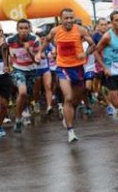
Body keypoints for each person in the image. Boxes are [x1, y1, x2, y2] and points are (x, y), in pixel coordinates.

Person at [36, 8, 95, 143]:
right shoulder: (55, 31)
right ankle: (70, 131)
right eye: (66, 18)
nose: (69, 21)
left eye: (71, 18)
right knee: (68, 97)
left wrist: (85, 54)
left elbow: (93, 45)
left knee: (75, 100)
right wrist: (39, 52)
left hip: (79, 68)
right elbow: (46, 41)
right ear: (61, 19)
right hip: (63, 68)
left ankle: (68, 116)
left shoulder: (80, 30)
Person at [95, 11, 118, 138]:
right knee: (117, 104)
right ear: (112, 22)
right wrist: (104, 67)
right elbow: (96, 52)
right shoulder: (107, 37)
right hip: (111, 72)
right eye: (116, 20)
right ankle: (106, 92)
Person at [6, 19, 39, 133]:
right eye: (21, 28)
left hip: (31, 70)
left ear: (29, 29)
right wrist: (7, 64)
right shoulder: (10, 40)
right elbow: (3, 49)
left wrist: (28, 50)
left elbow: (37, 60)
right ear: (17, 29)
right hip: (18, 69)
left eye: (26, 28)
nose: (24, 31)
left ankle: (25, 108)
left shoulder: (34, 39)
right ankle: (18, 119)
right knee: (22, 92)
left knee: (28, 95)